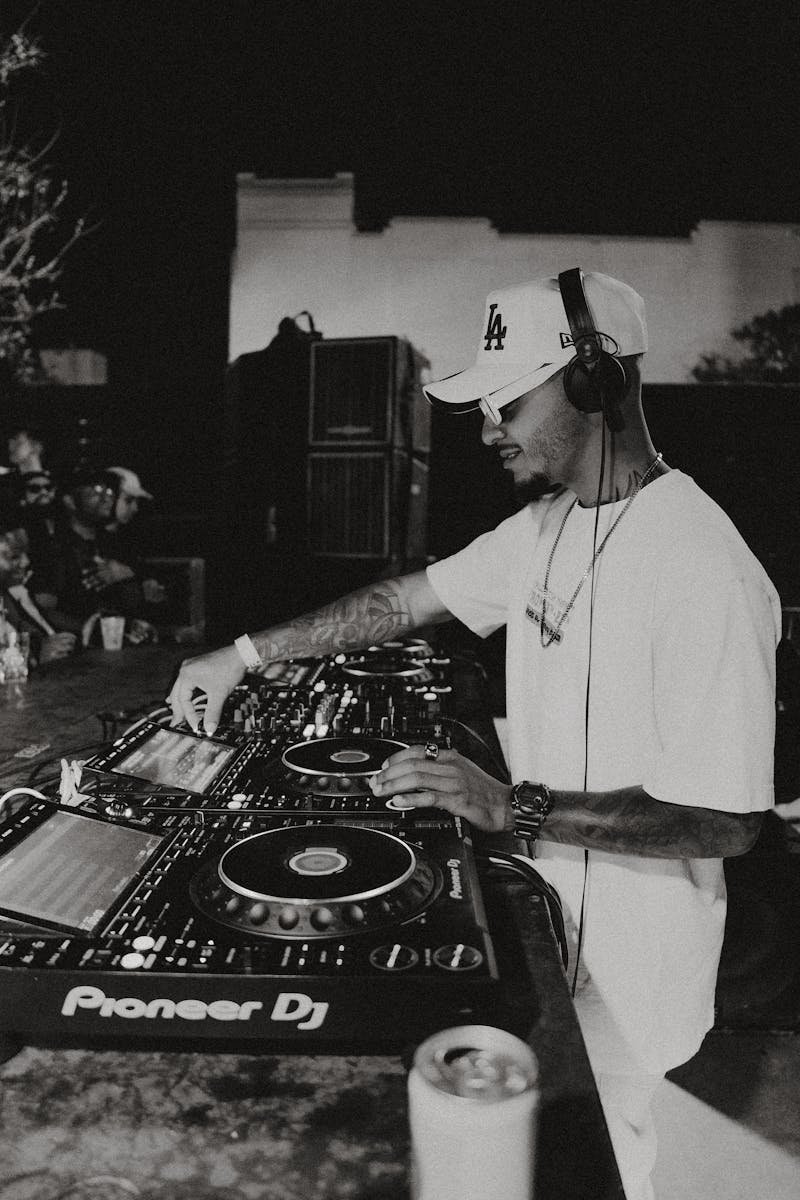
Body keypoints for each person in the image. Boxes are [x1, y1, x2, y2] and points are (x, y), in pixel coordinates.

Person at [167, 270, 780, 1200]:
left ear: (597, 383)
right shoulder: (544, 528)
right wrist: (242, 653)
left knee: (598, 1166)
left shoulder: (705, 568)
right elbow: (403, 601)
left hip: (631, 977)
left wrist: (510, 803)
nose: (487, 425)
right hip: (545, 932)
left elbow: (727, 821)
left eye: (508, 399)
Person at [0, 516, 77, 666]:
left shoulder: (9, 595)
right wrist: (34, 657)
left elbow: (29, 630)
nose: (26, 562)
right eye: (14, 556)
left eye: (26, 553)